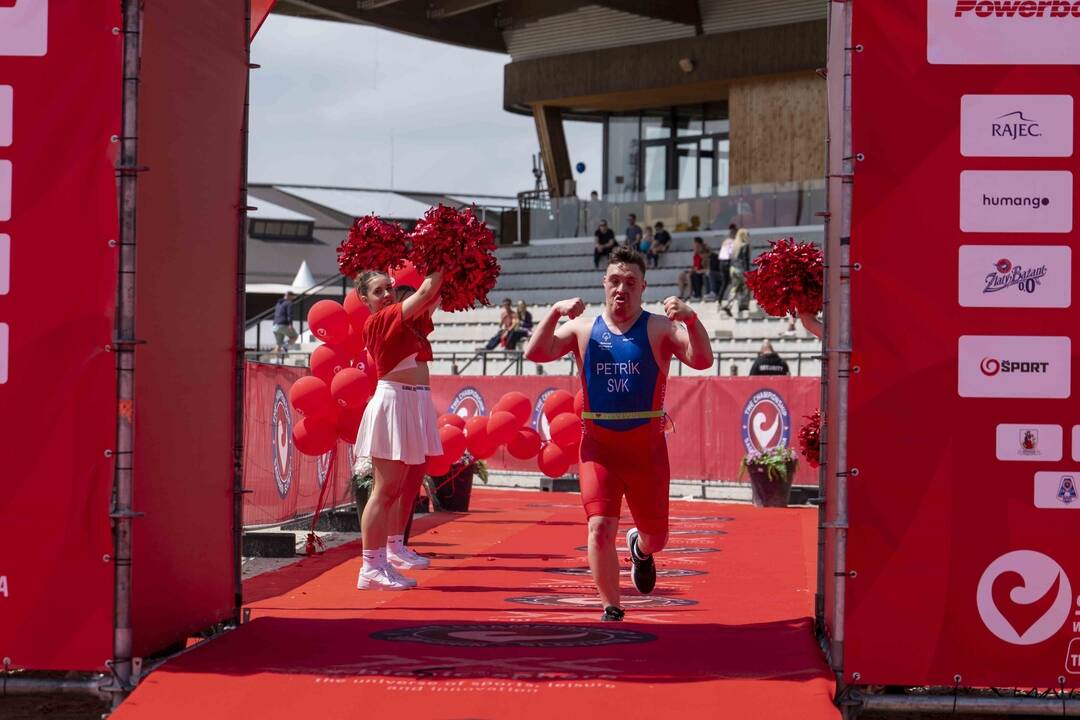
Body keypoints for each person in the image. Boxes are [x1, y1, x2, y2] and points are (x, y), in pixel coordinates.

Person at [524, 247, 713, 621]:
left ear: (643, 286)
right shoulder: (582, 329)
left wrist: (692, 320)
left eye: (630, 282)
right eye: (614, 281)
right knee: (598, 528)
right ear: (603, 284)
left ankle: (641, 550)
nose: (621, 289)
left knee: (658, 538)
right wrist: (554, 312)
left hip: (647, 453)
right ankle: (612, 605)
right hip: (599, 449)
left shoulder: (659, 327)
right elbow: (536, 351)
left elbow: (702, 359)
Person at [353, 268, 444, 590]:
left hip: (410, 404)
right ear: (365, 300)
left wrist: (453, 276)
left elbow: (430, 299)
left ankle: (384, 557)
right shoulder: (377, 321)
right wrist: (445, 258)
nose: (387, 294)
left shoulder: (405, 322)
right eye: (378, 291)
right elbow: (423, 294)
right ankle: (371, 567)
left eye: (389, 288)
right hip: (393, 404)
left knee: (395, 489)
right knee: (385, 489)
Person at [724, 228, 752, 318]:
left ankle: (728, 305)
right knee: (746, 286)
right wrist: (748, 272)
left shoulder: (734, 245)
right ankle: (743, 306)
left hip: (733, 268)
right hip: (741, 268)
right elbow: (745, 259)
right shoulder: (745, 245)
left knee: (735, 287)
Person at [272, 291, 299, 355]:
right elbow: (290, 314)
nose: (293, 298)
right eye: (293, 297)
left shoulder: (279, 303)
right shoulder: (289, 303)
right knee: (295, 336)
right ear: (289, 296)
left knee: (278, 344)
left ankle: (275, 360)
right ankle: (285, 346)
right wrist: (290, 324)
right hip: (282, 324)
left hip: (275, 326)